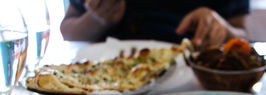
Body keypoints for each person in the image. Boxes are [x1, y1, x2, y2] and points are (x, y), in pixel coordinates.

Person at [60, 0, 250, 49]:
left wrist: (220, 27)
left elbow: (242, 36)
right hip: (101, 78)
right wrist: (96, 19)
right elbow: (67, 30)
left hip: (193, 83)